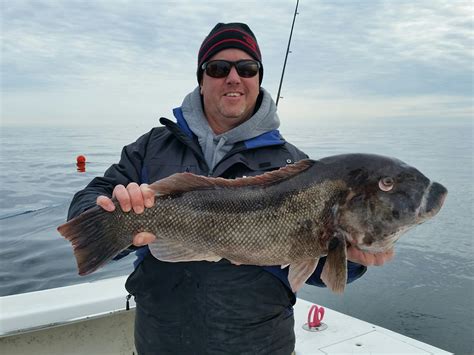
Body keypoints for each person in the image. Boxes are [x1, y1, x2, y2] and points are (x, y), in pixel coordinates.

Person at [68, 22, 394, 355]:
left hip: (261, 345)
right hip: (161, 342)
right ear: (202, 78)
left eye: (247, 68)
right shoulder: (151, 147)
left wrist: (353, 258)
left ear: (257, 79)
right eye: (219, 68)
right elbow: (89, 200)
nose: (234, 78)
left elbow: (316, 271)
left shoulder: (295, 166)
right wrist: (110, 211)